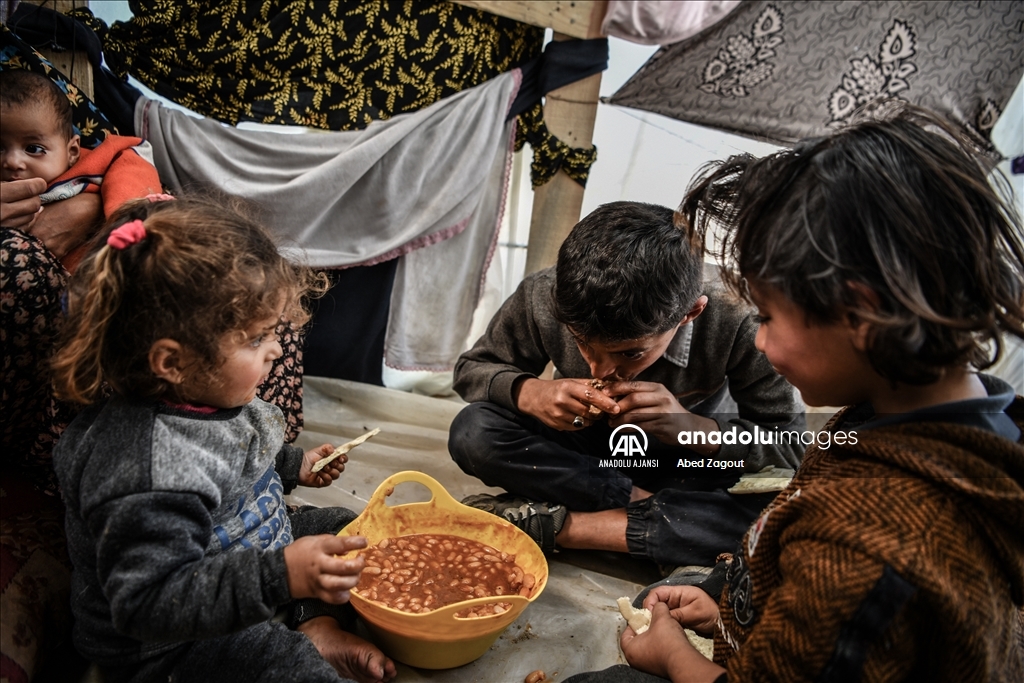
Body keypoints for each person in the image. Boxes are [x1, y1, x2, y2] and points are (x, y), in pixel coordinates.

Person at [568, 104, 1024, 683]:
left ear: (858, 313)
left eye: (767, 315)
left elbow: (781, 449)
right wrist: (736, 615)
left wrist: (673, 658)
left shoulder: (868, 548)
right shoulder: (950, 416)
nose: (759, 341)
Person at [49, 195, 396, 683]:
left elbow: (238, 454)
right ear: (173, 362)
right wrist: (281, 575)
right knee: (281, 663)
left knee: (344, 529)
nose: (276, 349)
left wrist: (293, 464)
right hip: (171, 646)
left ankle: (314, 625)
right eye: (255, 340)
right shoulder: (147, 470)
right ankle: (302, 639)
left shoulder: (209, 394)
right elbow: (149, 603)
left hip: (243, 555)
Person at [449, 201, 806, 571]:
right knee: (474, 431)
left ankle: (564, 528)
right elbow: (472, 368)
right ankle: (658, 518)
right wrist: (530, 393)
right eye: (581, 342)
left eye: (631, 353)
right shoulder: (546, 294)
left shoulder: (741, 319)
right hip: (583, 455)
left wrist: (697, 430)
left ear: (690, 314)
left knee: (786, 519)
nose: (599, 368)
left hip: (686, 463)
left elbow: (791, 448)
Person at [1, 68, 162, 269]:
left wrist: (127, 221)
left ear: (72, 151)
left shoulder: (94, 164)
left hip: (114, 269)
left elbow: (133, 162)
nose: (12, 162)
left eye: (33, 149)